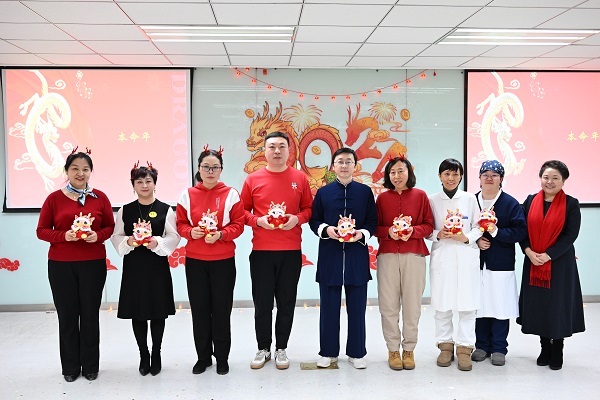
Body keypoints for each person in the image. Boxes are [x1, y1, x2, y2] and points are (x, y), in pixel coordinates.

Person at [36, 149, 115, 382]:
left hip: (93, 264)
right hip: (61, 265)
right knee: (67, 316)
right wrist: (64, 236)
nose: (81, 173)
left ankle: (90, 366)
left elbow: (110, 227)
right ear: (66, 171)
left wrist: (98, 236)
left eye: (85, 169)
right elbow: (41, 231)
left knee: (90, 315)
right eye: (75, 169)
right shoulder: (53, 199)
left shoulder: (100, 197)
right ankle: (70, 367)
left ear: (91, 172)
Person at [240, 131, 313, 370]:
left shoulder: (299, 178)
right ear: (264, 150)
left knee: (286, 302)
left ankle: (281, 348)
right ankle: (263, 348)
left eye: (282, 146)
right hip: (261, 252)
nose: (277, 151)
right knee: (262, 304)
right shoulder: (253, 179)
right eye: (272, 146)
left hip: (290, 251)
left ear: (289, 150)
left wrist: (297, 219)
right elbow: (242, 213)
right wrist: (258, 221)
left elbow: (308, 209)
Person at [177, 146, 244, 375]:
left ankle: (222, 358)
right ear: (199, 168)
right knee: (200, 310)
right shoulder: (187, 195)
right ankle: (203, 357)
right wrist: (190, 232)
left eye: (215, 167)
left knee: (222, 311)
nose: (210, 171)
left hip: (223, 261)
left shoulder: (231, 194)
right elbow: (180, 224)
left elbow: (239, 225)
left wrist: (222, 234)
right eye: (206, 167)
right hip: (195, 261)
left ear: (221, 169)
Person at [309, 148, 377, 369]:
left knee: (357, 309)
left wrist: (362, 234)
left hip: (357, 257)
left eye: (349, 161)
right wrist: (326, 229)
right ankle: (328, 352)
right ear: (333, 166)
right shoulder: (324, 192)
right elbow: (314, 220)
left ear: (355, 165)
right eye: (340, 161)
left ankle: (357, 353)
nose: (344, 165)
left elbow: (372, 221)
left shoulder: (365, 192)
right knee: (329, 308)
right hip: (330, 256)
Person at [110, 163, 180, 376]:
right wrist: (129, 242)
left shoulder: (165, 209)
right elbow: (116, 235)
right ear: (133, 185)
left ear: (155, 184)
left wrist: (158, 243)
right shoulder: (125, 210)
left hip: (157, 267)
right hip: (134, 267)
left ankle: (156, 353)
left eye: (148, 181)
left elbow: (174, 235)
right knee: (138, 312)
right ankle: (143, 354)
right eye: (139, 181)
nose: (144, 185)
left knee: (158, 312)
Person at [518, 160, 584, 370]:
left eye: (555, 178)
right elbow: (522, 230)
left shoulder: (571, 204)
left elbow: (570, 235)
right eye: (546, 177)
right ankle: (544, 347)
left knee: (557, 306)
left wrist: (548, 255)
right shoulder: (530, 201)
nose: (550, 181)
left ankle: (558, 348)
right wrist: (528, 251)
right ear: (540, 178)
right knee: (539, 305)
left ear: (563, 181)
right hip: (533, 261)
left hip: (559, 263)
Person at [374, 155, 433, 370]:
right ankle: (392, 349)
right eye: (392, 172)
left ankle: (409, 349)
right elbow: (374, 227)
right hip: (388, 256)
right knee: (388, 305)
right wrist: (388, 232)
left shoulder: (420, 196)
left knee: (412, 306)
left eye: (401, 171)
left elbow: (428, 226)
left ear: (409, 172)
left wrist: (413, 231)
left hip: (414, 256)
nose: (396, 176)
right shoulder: (382, 199)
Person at [427, 158, 482, 371]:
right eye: (447, 174)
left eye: (455, 174)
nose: (451, 178)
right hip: (443, 256)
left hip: (466, 254)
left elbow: (479, 225)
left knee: (468, 305)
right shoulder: (432, 200)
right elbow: (426, 228)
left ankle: (465, 348)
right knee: (442, 304)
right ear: (440, 176)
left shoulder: (469, 198)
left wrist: (466, 238)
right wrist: (437, 234)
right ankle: (445, 346)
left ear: (461, 177)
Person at [471, 160, 527, 367]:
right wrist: (476, 241)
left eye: (494, 175)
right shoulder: (471, 201)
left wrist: (496, 232)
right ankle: (481, 345)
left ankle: (499, 348)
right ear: (479, 178)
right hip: (476, 263)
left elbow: (520, 232)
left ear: (501, 179)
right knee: (479, 305)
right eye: (485, 174)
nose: (489, 178)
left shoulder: (510, 203)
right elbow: (463, 227)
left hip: (501, 263)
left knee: (500, 305)